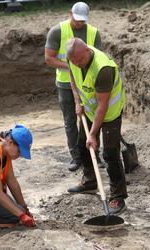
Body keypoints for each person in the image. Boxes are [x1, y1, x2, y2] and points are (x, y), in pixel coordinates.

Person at [65, 38, 127, 215]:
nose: (77, 64)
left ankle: (118, 196)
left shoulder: (103, 69)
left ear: (87, 51)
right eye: (74, 62)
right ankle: (90, 181)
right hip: (90, 110)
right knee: (82, 146)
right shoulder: (74, 58)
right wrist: (77, 101)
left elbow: (103, 106)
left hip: (109, 113)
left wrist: (93, 134)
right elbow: (72, 77)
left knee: (110, 153)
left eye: (80, 61)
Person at [45, 2, 103, 171]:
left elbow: (98, 57)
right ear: (70, 13)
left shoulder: (93, 32)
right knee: (70, 121)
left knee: (90, 118)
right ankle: (76, 157)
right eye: (77, 20)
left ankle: (93, 154)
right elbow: (49, 59)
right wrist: (72, 66)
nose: (79, 23)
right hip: (65, 84)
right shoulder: (57, 31)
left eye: (82, 21)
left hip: (87, 84)